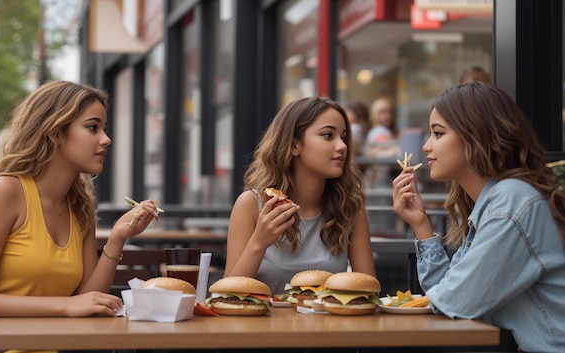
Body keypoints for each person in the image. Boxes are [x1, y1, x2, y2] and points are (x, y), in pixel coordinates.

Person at [0, 80, 161, 319]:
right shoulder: (5, 192)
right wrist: (65, 306)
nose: (106, 139)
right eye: (93, 127)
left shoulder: (81, 205)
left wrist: (117, 237)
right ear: (56, 132)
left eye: (104, 128)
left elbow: (88, 301)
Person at [392, 82, 565, 352]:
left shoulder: (511, 200)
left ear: (475, 135)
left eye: (438, 133)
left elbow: (457, 303)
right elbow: (448, 294)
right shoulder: (497, 199)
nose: (426, 146)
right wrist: (421, 225)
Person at [224, 96, 376, 295]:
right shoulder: (252, 204)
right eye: (328, 135)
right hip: (263, 325)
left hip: (327, 324)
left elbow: (370, 291)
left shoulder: (350, 206)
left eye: (344, 137)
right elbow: (226, 296)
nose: (342, 146)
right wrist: (259, 242)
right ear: (294, 145)